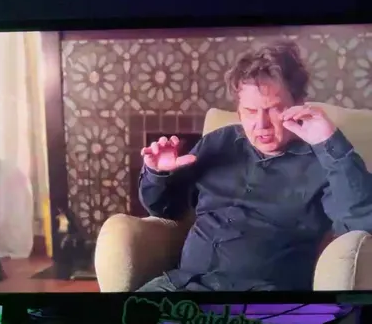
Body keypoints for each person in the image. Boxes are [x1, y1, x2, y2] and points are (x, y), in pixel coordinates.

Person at [137, 41, 372, 291]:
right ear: (238, 111)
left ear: (298, 103)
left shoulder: (323, 161)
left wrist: (330, 142)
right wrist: (159, 174)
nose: (261, 124)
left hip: (259, 296)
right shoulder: (218, 141)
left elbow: (362, 222)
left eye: (273, 109)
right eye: (250, 111)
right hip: (181, 285)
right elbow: (166, 210)